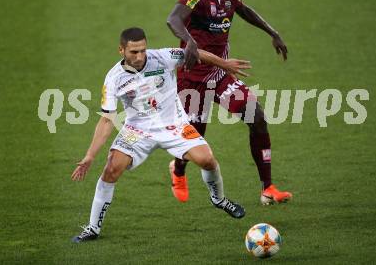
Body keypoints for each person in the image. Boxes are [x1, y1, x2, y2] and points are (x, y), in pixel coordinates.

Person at [71, 27, 250, 243]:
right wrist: (90, 156)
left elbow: (195, 53)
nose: (140, 56)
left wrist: (225, 64)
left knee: (208, 160)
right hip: (137, 130)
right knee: (111, 170)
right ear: (121, 50)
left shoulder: (162, 57)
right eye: (133, 52)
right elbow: (107, 119)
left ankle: (219, 200)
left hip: (174, 125)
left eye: (142, 50)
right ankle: (92, 228)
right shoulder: (113, 79)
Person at [166, 0, 292, 205]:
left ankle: (268, 188)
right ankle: (178, 171)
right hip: (192, 80)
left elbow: (244, 10)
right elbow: (173, 19)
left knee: (256, 116)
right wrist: (189, 41)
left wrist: (272, 32)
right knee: (194, 138)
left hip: (221, 74)